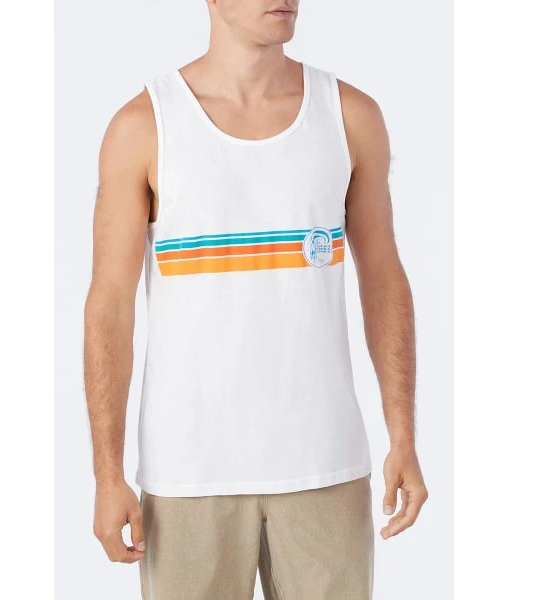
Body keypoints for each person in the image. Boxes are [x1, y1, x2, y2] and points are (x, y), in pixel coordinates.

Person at [83, 1, 428, 598]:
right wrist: (106, 474)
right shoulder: (144, 126)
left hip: (325, 466)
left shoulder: (349, 116)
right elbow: (108, 308)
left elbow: (384, 281)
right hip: (188, 477)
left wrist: (404, 436)